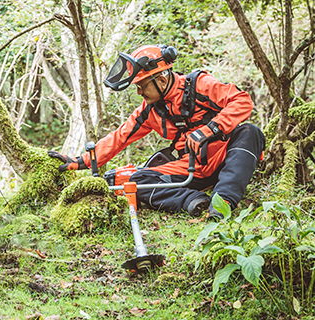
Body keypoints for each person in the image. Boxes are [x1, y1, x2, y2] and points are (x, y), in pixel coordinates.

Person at [48, 44, 265, 219]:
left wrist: (208, 130)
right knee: (137, 180)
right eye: (137, 87)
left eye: (142, 85)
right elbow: (120, 136)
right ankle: (195, 202)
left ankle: (222, 203)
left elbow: (242, 101)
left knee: (250, 132)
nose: (139, 92)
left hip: (227, 157)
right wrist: (81, 161)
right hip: (191, 167)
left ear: (161, 79)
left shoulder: (199, 85)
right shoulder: (149, 110)